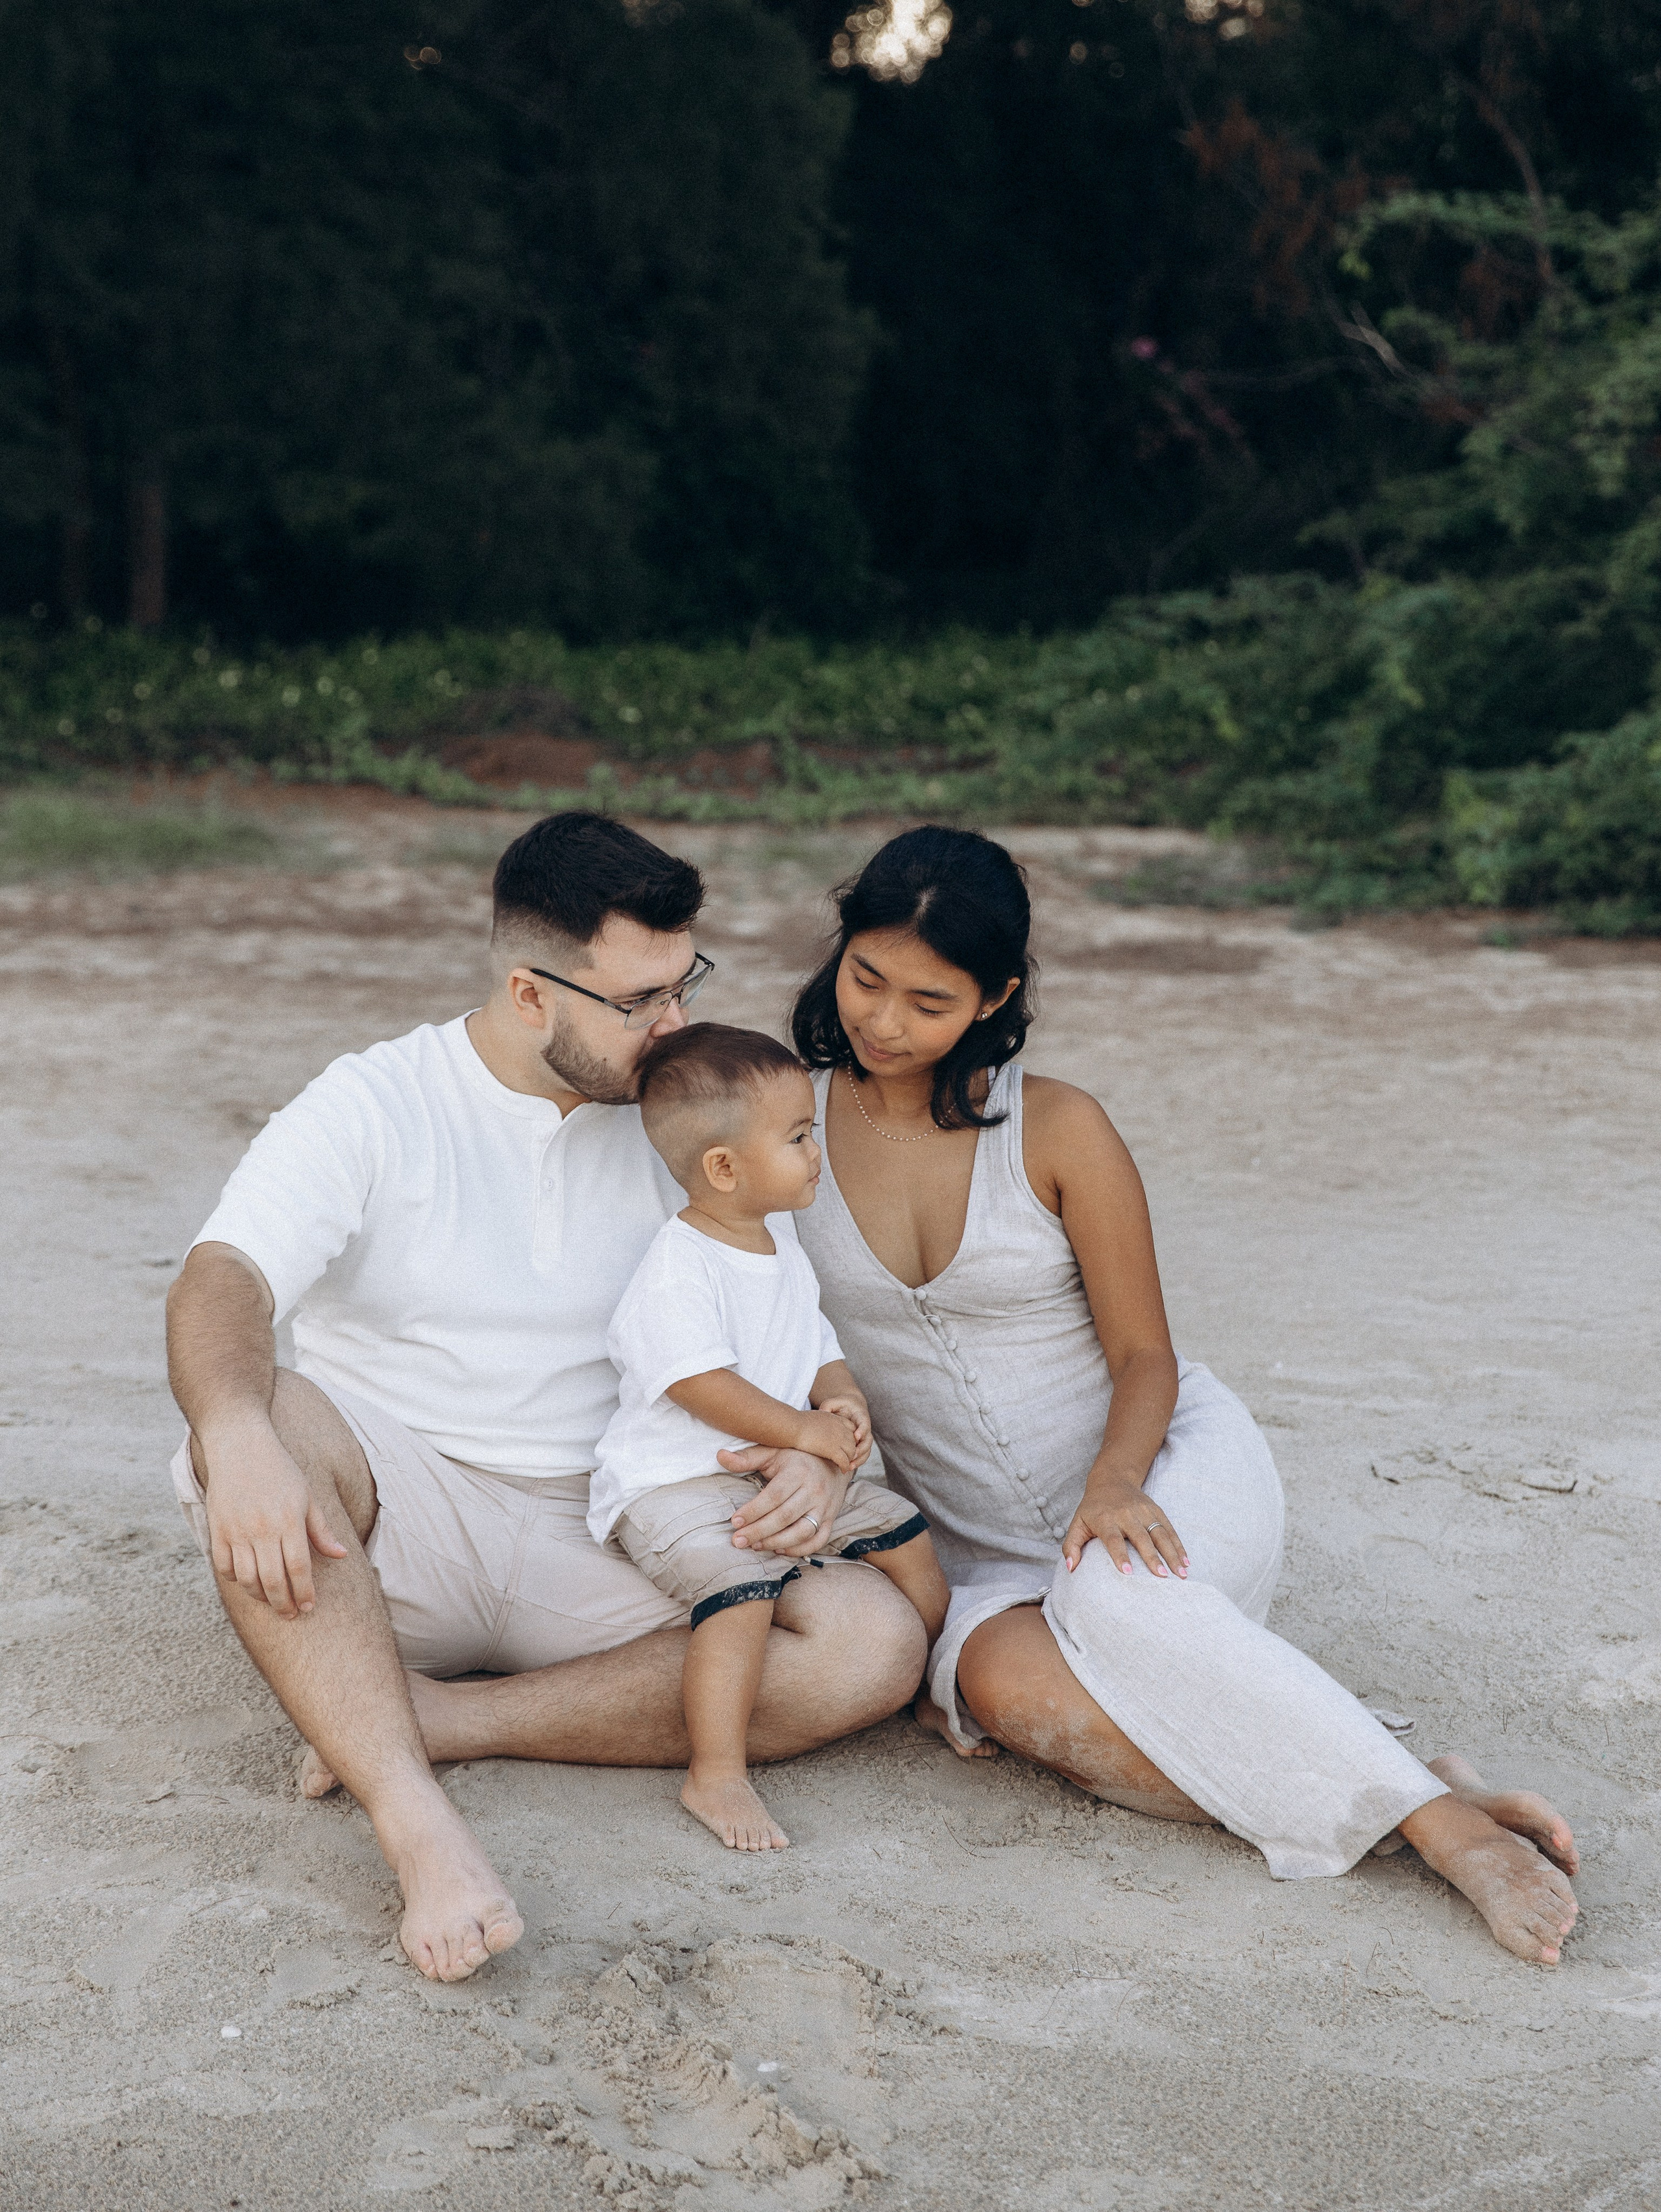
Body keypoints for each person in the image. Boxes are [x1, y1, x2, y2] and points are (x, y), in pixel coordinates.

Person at [792, 824, 1582, 1967]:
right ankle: (1401, 1784)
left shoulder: (1058, 1127)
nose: (882, 1020)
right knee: (1015, 1698)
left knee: (1115, 1604)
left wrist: (1116, 1483)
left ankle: (1446, 1835)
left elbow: (1145, 1355)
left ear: (995, 997)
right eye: (865, 977)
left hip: (1159, 1469)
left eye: (928, 999)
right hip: (979, 1558)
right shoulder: (785, 1133)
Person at [163, 813, 927, 1984]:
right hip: (402, 1519)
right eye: (639, 1001)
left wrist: (817, 1452)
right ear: (530, 993)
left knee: (871, 1645)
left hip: (618, 1526)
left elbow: (774, 1315)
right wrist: (231, 1428)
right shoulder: (377, 1101)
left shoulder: (690, 1112)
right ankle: (415, 1818)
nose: (674, 1024)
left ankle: (439, 1718)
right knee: (255, 1429)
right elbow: (225, 1279)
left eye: (684, 984)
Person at [589, 1022, 950, 1853]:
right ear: (724, 1167)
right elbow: (696, 1382)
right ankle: (715, 1770)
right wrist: (803, 1432)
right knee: (741, 1592)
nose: (817, 1150)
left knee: (910, 1542)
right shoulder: (680, 1265)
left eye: (811, 1129)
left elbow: (812, 1342)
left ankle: (928, 1689)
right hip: (675, 1481)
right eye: (796, 1136)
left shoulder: (778, 1241)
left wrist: (842, 1398)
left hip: (778, 1463)